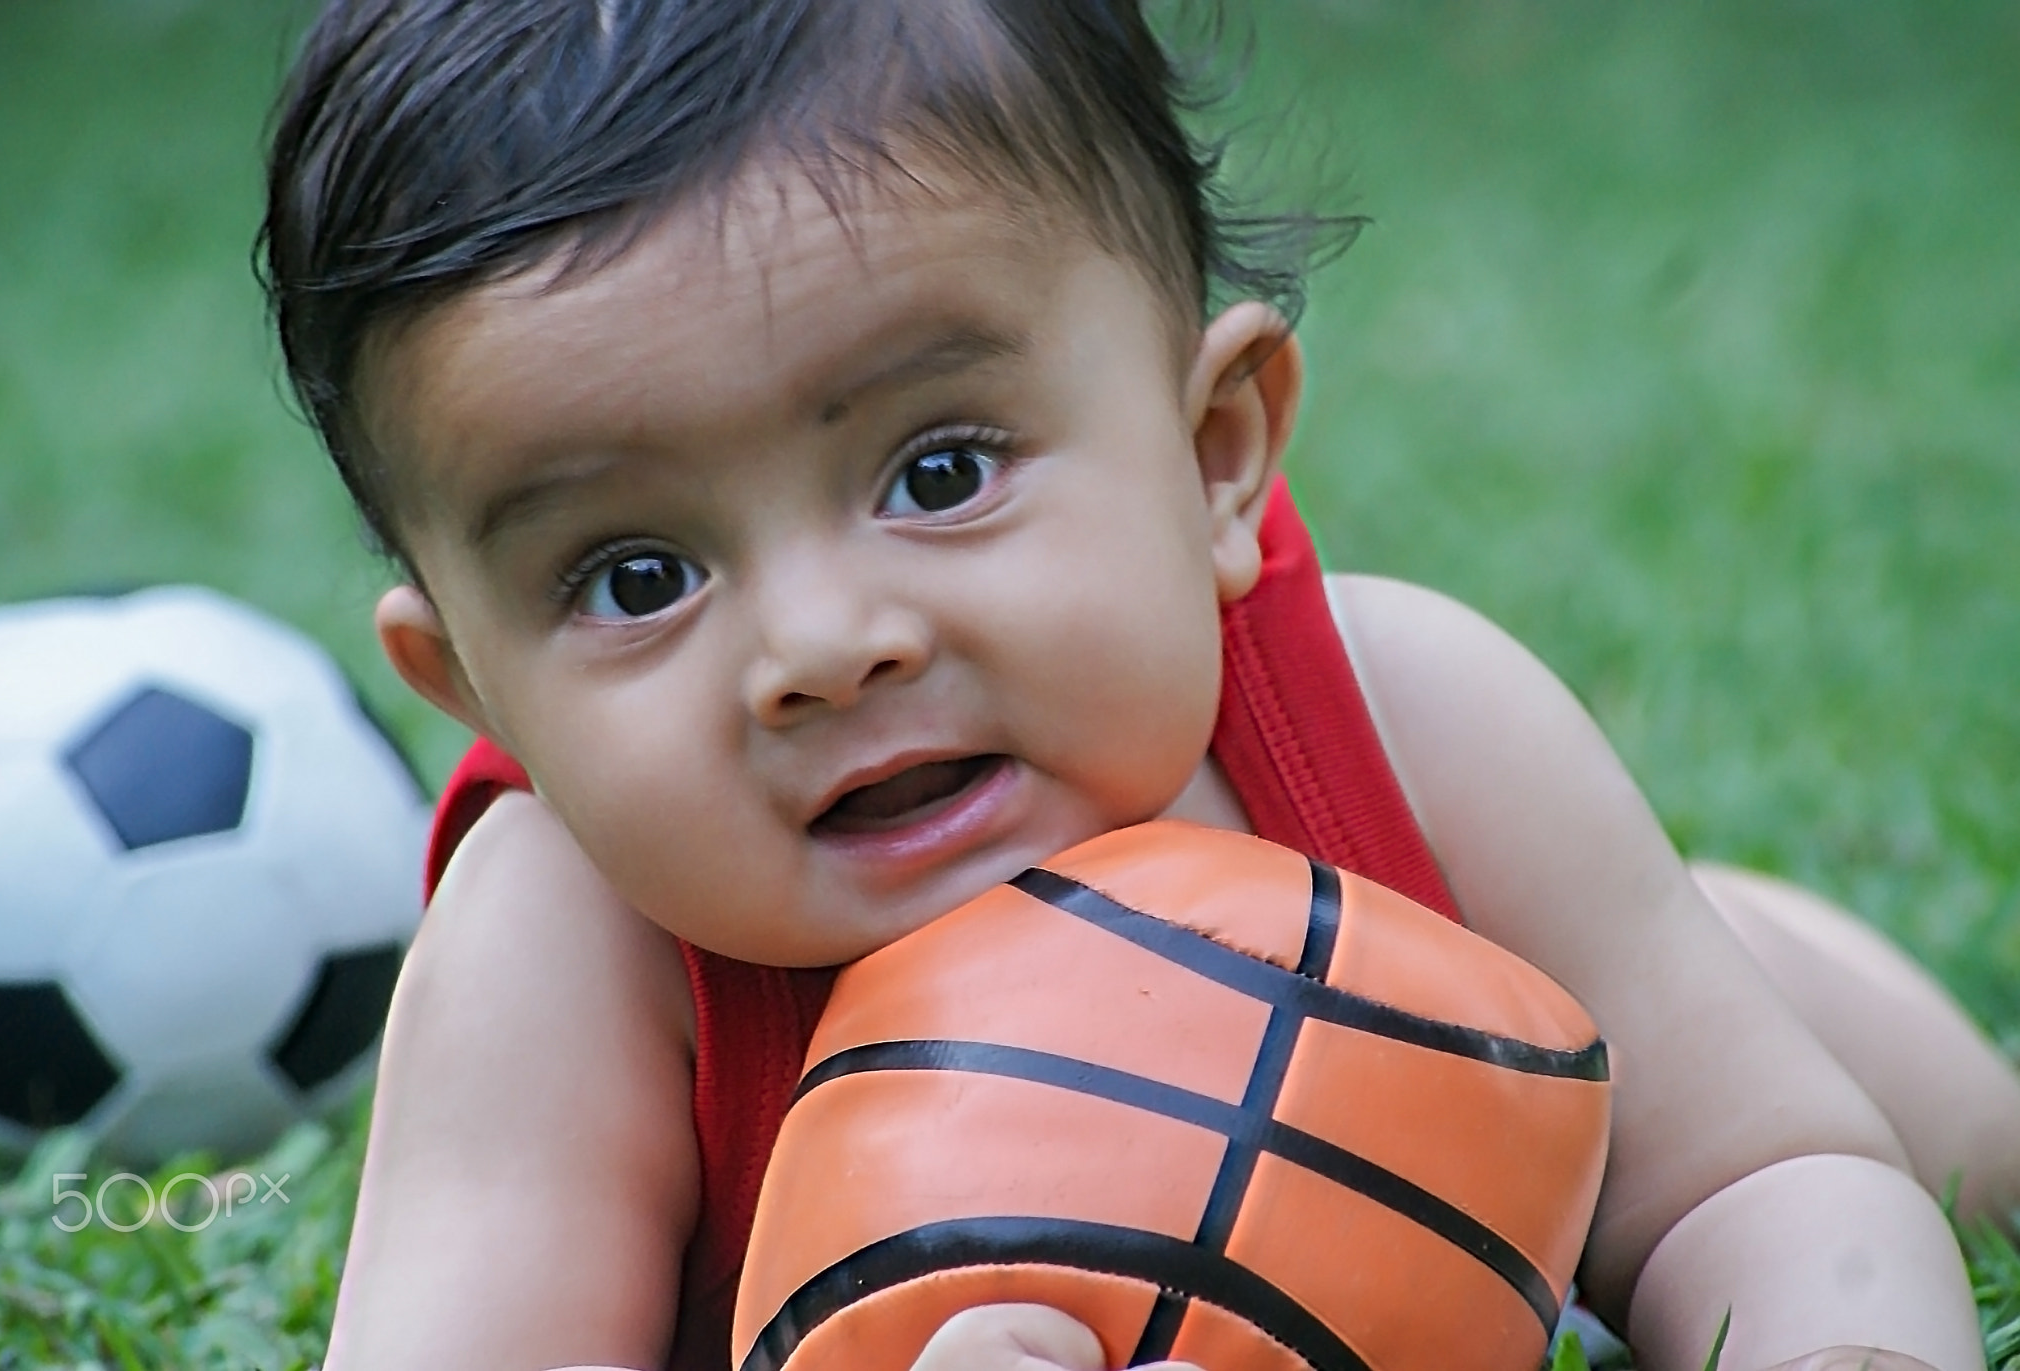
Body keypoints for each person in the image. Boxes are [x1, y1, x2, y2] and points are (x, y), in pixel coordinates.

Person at [257, 2, 2020, 1369]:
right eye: (636, 579)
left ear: (1214, 452)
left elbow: (1756, 1176)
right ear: (468, 676)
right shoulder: (569, 948)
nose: (821, 646)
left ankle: (1757, 948)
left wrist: (1826, 1326)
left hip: (1529, 1043)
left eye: (938, 470)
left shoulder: (1406, 719)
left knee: (1935, 1139)